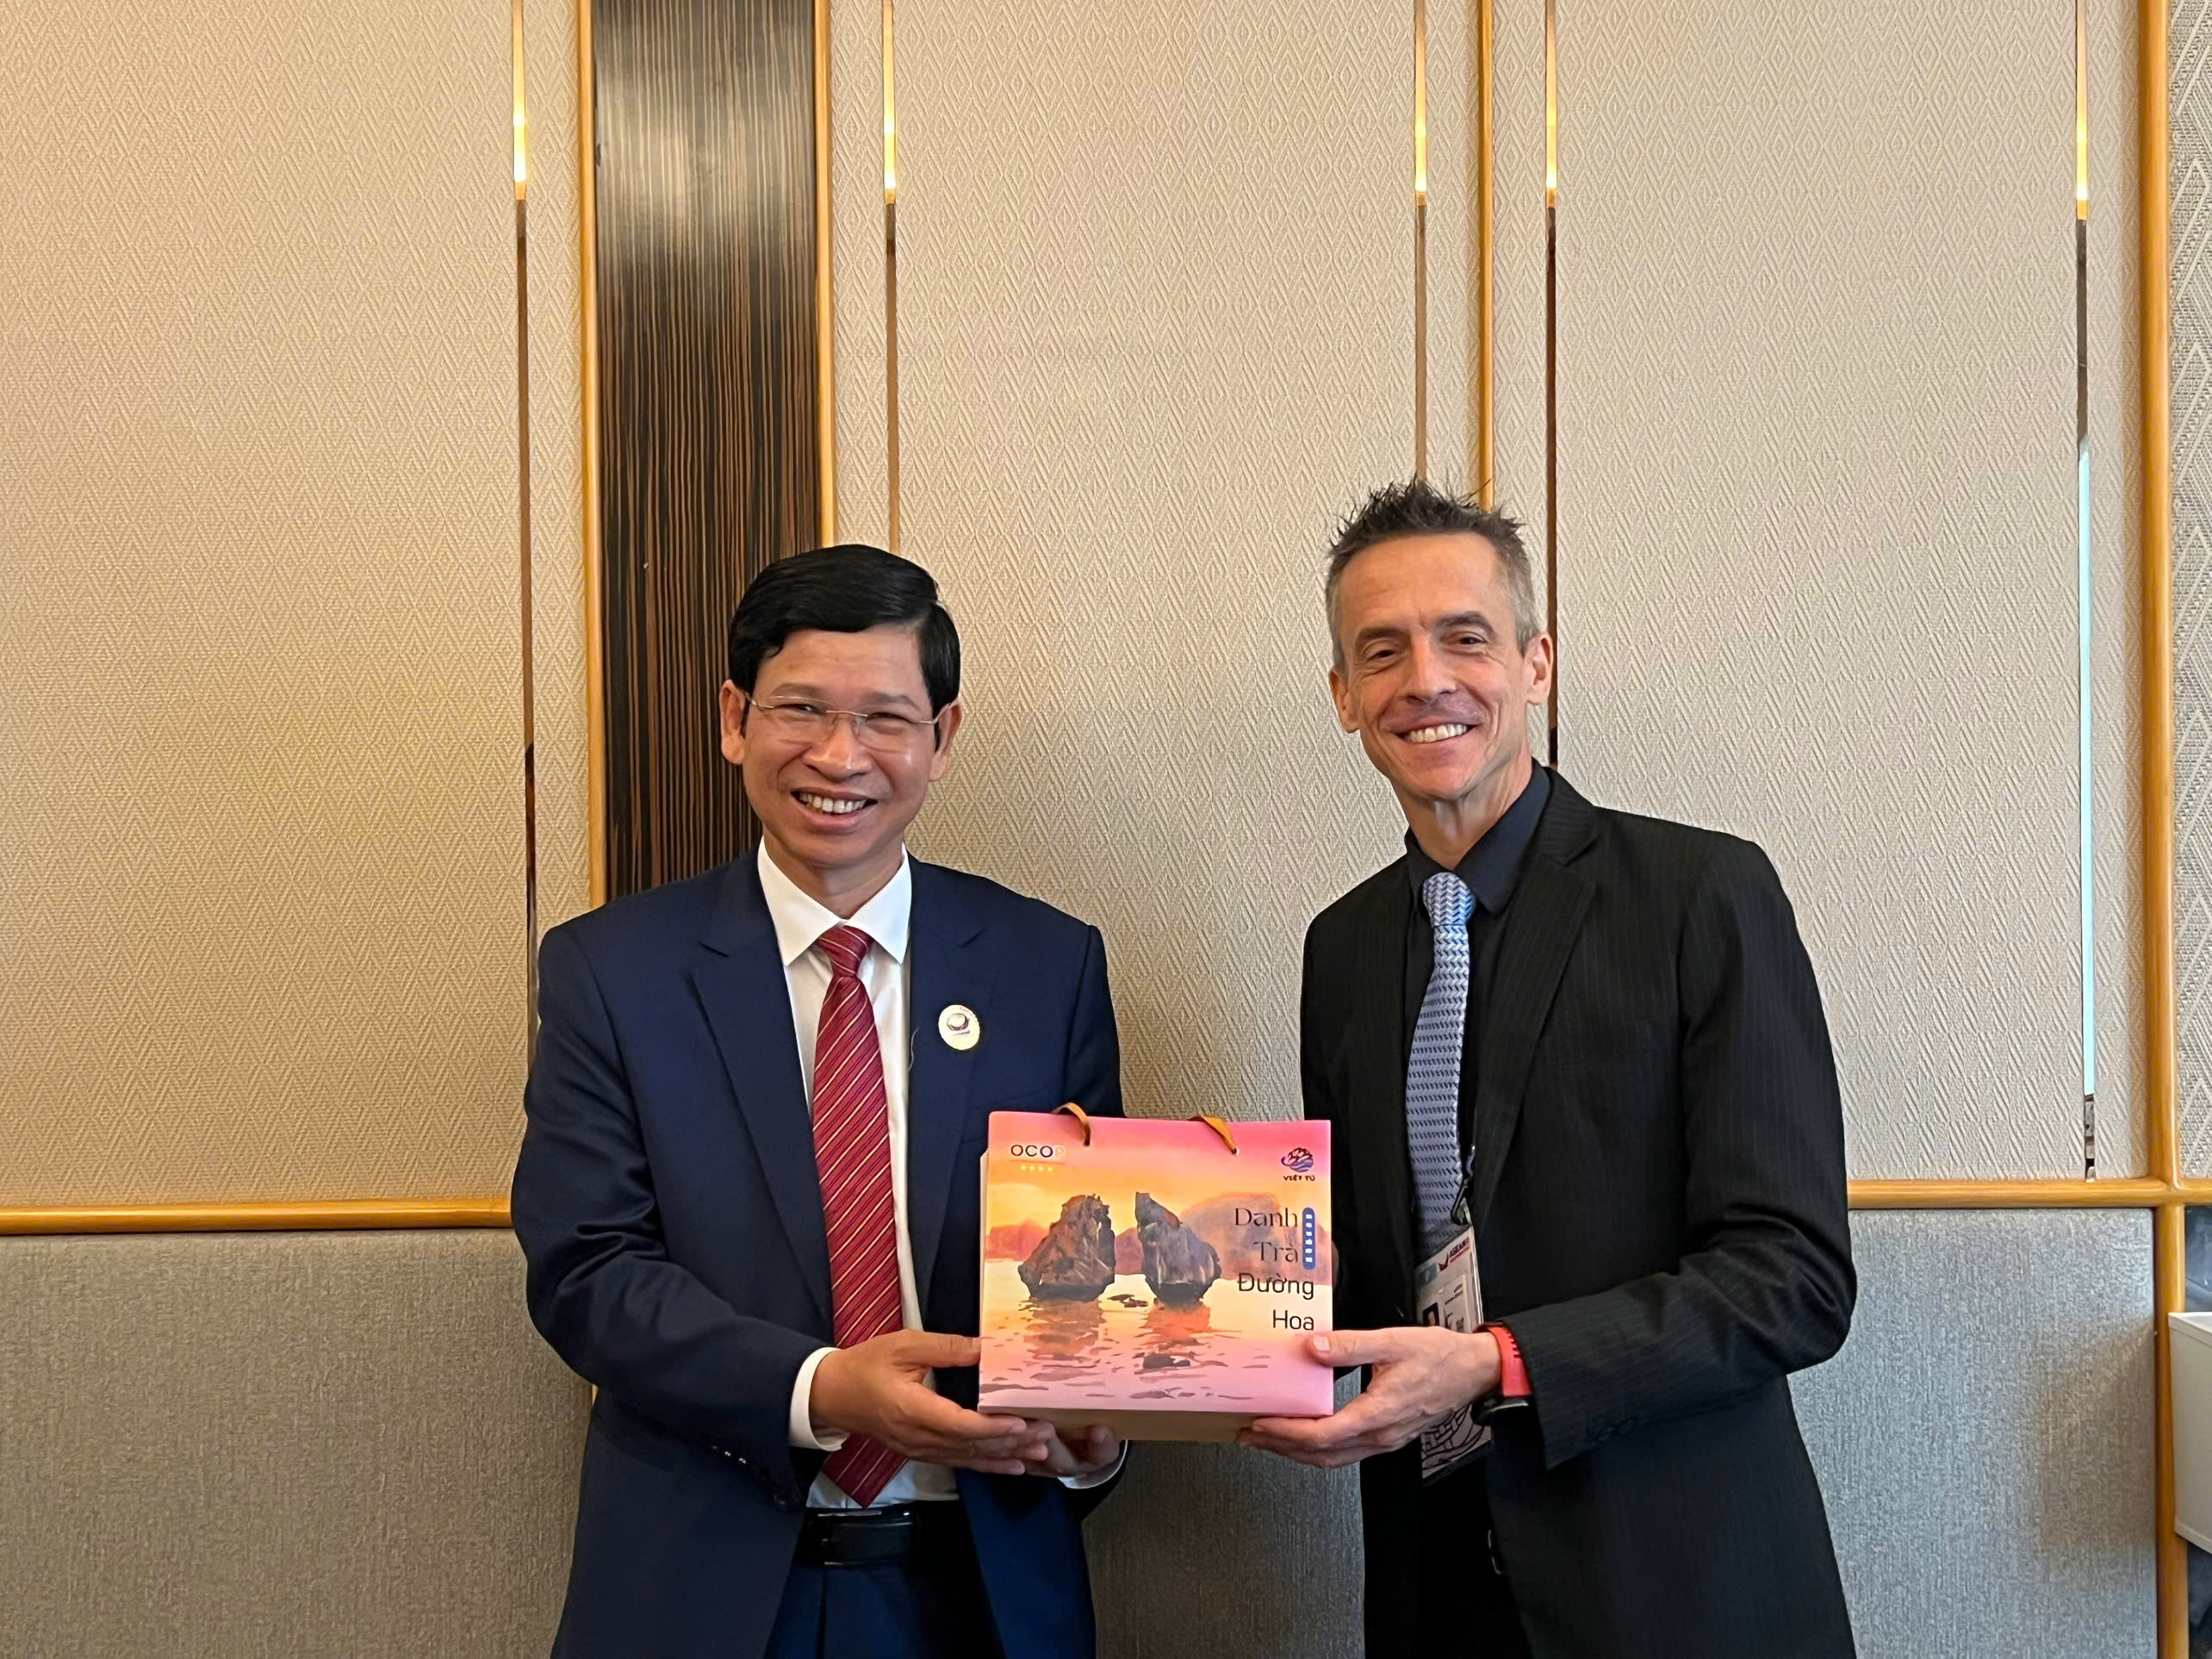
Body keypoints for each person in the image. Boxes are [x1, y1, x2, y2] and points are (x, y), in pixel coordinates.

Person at [1242, 482, 1856, 1657]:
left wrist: (1497, 1363)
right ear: (1343, 695)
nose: (1425, 679)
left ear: (1536, 664)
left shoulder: (1701, 895)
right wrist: (1145, 1360)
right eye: (1383, 651)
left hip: (1676, 1585)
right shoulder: (1343, 946)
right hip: (1437, 1584)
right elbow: (1362, 1264)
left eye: (1465, 638)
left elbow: (1795, 1279)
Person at [513, 544, 1124, 1659]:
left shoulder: (1048, 965)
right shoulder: (613, 972)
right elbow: (587, 1270)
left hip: (983, 1593)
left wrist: (1095, 1431)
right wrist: (823, 1388)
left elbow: (1096, 1264)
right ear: (734, 718)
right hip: (705, 1591)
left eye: (886, 718)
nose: (840, 756)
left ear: (942, 738)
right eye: (801, 709)